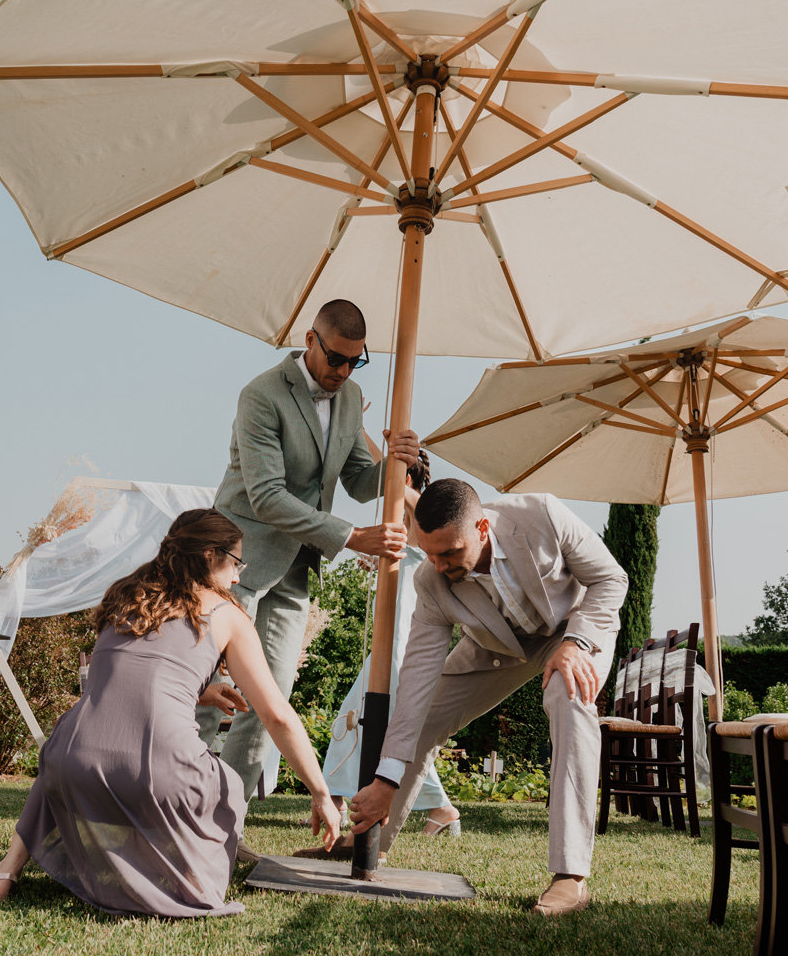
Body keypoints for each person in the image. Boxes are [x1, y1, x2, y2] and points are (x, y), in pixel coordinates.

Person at [0, 509, 339, 916]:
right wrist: (321, 793)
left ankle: (3, 872)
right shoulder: (227, 615)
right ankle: (187, 879)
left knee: (66, 739)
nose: (238, 577)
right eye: (237, 563)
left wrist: (199, 692)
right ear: (211, 556)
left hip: (72, 769)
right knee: (226, 783)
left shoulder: (127, 595)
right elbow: (277, 715)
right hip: (158, 776)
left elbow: (126, 680)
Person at [347, 479, 626, 916]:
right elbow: (416, 684)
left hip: (574, 633)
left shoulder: (543, 515)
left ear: (481, 526)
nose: (438, 565)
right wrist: (385, 779)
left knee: (567, 697)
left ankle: (571, 877)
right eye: (430, 553)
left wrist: (577, 643)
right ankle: (370, 846)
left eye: (449, 553)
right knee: (424, 716)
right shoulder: (432, 582)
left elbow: (611, 578)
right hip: (498, 648)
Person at [198, 298, 419, 798]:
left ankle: (224, 822)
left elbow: (362, 481)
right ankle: (165, 812)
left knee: (267, 700)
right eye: (336, 358)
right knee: (206, 697)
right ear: (310, 340)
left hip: (296, 568)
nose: (344, 371)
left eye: (355, 360)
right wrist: (351, 536)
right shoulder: (261, 395)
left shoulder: (350, 396)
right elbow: (267, 497)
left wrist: (397, 463)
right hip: (235, 563)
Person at [317, 448, 460, 835]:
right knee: (363, 719)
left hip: (406, 636)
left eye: (388, 480)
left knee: (367, 716)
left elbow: (396, 471)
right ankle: (337, 798)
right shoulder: (401, 522)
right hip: (389, 631)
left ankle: (335, 797)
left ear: (405, 481)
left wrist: (376, 440)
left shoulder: (421, 516)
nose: (379, 488)